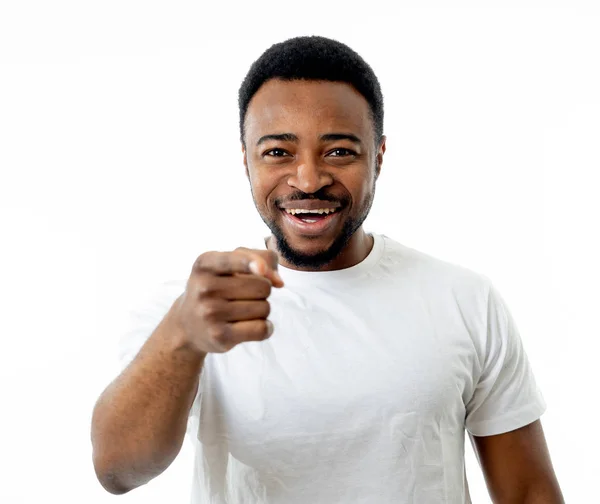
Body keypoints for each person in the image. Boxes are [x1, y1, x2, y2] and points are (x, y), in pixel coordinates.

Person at [91, 35, 564, 503]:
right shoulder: (194, 308)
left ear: (378, 156)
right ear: (246, 161)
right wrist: (183, 335)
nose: (309, 179)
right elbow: (117, 470)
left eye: (339, 151)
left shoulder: (463, 299)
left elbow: (528, 492)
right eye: (278, 152)